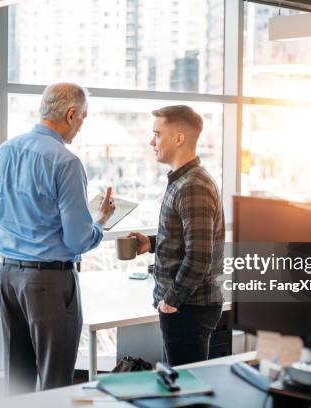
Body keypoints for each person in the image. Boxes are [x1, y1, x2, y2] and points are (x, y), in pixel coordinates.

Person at [0, 83, 114, 394]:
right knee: (55, 382)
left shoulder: (3, 152)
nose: (80, 127)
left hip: (7, 277)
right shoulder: (65, 162)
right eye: (82, 119)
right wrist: (99, 222)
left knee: (17, 379)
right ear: (71, 114)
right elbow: (76, 240)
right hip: (48, 283)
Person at [128, 105, 224, 366]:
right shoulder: (183, 181)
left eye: (157, 134)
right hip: (184, 306)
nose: (152, 141)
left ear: (179, 138)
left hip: (188, 308)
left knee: (184, 390)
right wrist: (152, 244)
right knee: (176, 384)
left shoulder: (193, 186)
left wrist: (170, 301)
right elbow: (186, 239)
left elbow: (199, 258)